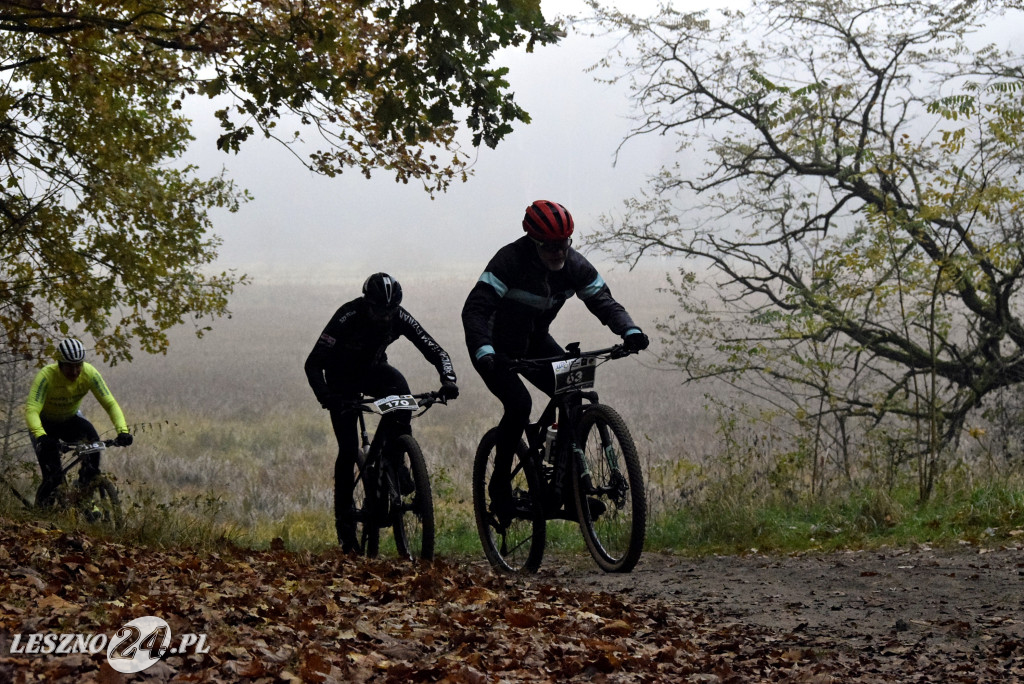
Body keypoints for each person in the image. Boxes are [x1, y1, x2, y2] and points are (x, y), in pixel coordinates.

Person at [461, 199, 650, 520]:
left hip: (535, 343)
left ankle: (568, 489)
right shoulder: (509, 262)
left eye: (563, 244)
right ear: (533, 242)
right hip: (495, 348)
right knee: (519, 405)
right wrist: (485, 351)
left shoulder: (574, 266)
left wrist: (629, 329)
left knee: (572, 397)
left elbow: (603, 301)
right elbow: (475, 310)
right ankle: (499, 489)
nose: (558, 253)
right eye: (550, 246)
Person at [304, 272, 460, 552]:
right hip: (341, 380)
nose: (385, 317)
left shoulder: (399, 316)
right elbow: (313, 363)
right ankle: (346, 522)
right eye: (379, 310)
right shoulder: (347, 315)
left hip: (374, 372)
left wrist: (448, 380)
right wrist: (327, 397)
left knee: (400, 391)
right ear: (367, 302)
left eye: (390, 311)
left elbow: (436, 350)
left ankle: (397, 459)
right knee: (350, 449)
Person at [25, 338, 134, 508]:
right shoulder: (46, 376)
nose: (75, 371)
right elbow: (32, 409)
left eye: (79, 365)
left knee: (94, 448)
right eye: (70, 366)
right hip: (44, 425)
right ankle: (40, 515)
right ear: (60, 364)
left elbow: (110, 404)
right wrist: (41, 436)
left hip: (71, 420)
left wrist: (123, 431)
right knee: (53, 477)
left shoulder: (89, 373)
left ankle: (83, 496)